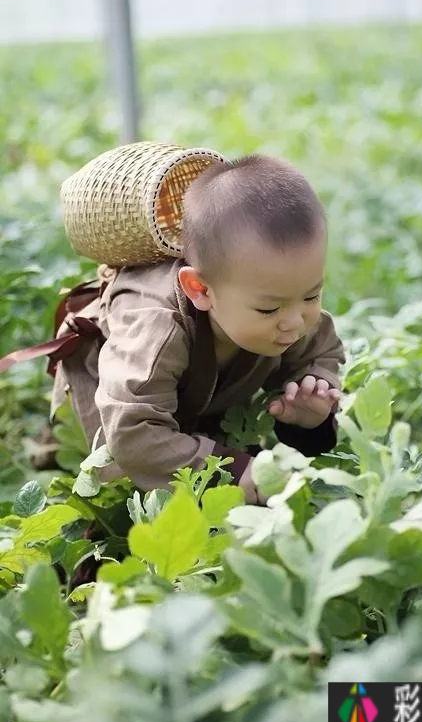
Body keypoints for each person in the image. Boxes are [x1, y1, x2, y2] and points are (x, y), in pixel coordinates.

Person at [47, 152, 346, 504]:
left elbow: (320, 352)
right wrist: (234, 473)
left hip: (199, 390)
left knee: (219, 441)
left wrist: (311, 413)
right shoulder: (155, 327)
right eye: (269, 308)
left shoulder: (278, 300)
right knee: (120, 490)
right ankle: (51, 446)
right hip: (110, 388)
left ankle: (198, 433)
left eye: (312, 296)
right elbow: (132, 432)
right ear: (200, 290)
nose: (296, 321)